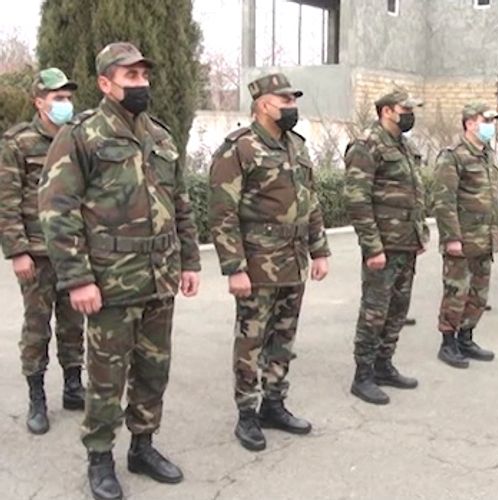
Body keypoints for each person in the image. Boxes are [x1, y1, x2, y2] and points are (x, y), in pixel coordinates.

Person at [38, 42, 201, 500]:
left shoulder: (161, 136)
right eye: (131, 76)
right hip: (110, 280)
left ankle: (142, 446)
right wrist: (78, 278)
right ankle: (100, 457)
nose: (141, 83)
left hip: (160, 276)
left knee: (153, 368)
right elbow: (57, 210)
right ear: (105, 83)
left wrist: (189, 260)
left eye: (144, 75)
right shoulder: (82, 135)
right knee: (107, 376)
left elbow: (180, 202)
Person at [208, 72, 330, 452]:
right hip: (258, 264)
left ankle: (274, 403)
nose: (292, 107)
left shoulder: (296, 145)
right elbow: (222, 213)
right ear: (263, 105)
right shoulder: (239, 148)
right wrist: (234, 267)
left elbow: (310, 201)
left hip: (294, 261)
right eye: (285, 100)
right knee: (251, 340)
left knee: (283, 337)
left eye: (294, 100)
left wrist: (320, 249)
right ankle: (247, 413)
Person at [0, 67, 85, 435]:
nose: (66, 103)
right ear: (39, 102)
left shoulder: (78, 137)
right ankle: (37, 397)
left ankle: (73, 386)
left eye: (68, 98)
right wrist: (17, 251)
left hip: (74, 250)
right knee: (37, 326)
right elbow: (6, 201)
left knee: (73, 323)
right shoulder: (18, 142)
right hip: (36, 253)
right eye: (58, 98)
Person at [344, 90, 429, 405]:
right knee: (375, 310)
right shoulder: (367, 145)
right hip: (383, 245)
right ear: (387, 111)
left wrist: (419, 235)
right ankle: (363, 375)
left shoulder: (405, 146)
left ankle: (383, 364)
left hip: (405, 242)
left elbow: (414, 194)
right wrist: (372, 247)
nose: (410, 114)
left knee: (397, 308)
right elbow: (357, 198)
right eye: (405, 109)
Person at [432, 102, 498, 364]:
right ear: (470, 123)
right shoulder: (453, 156)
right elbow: (444, 200)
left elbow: (496, 195)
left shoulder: (487, 155)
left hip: (485, 238)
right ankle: (448, 343)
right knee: (457, 292)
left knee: (478, 293)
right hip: (463, 239)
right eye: (486, 121)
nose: (491, 126)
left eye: (492, 121)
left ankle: (466, 337)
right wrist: (451, 237)